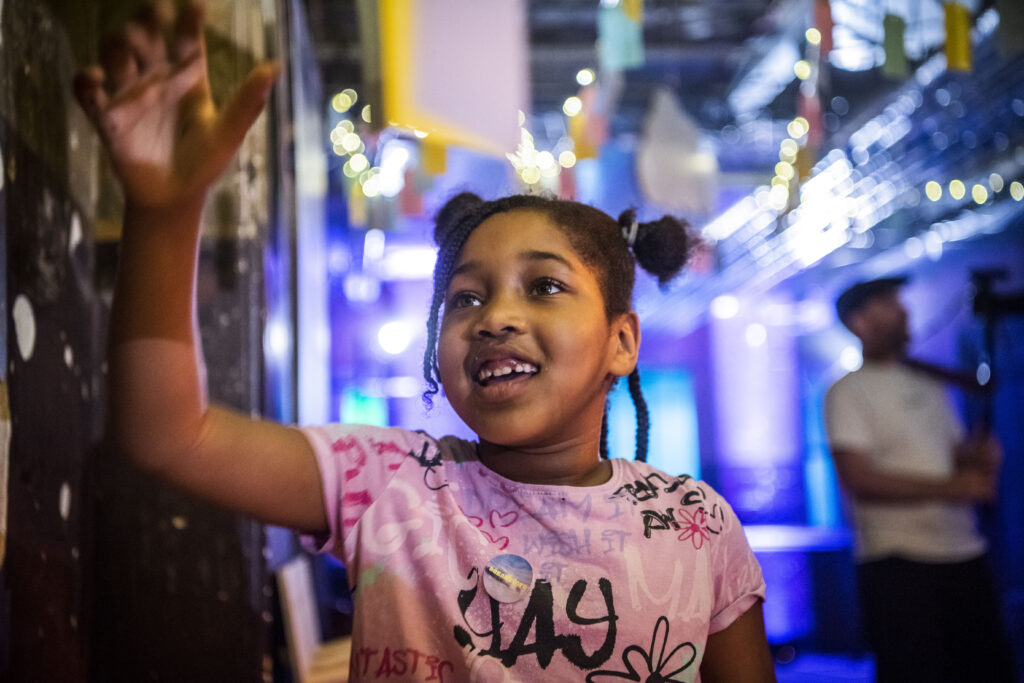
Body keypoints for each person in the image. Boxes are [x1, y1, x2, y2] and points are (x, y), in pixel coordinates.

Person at [74, 2, 775, 680]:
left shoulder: (697, 524)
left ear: (622, 342)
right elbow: (168, 434)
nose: (494, 316)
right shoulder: (392, 487)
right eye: (465, 297)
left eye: (544, 286)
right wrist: (165, 213)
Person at [824, 276, 1014, 682]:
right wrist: (954, 487)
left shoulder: (930, 383)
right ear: (860, 321)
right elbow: (857, 477)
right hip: (898, 564)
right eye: (889, 302)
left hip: (964, 553)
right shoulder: (847, 391)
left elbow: (948, 455)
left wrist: (975, 458)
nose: (904, 310)